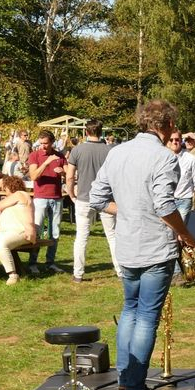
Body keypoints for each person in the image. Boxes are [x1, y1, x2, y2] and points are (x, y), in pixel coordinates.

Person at [88, 99, 195, 390]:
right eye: (172, 124)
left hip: (127, 246)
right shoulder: (164, 156)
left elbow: (97, 198)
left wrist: (129, 211)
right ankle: (135, 389)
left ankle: (126, 382)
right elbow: (164, 205)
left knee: (129, 312)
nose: (174, 130)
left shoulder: (117, 152)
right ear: (163, 125)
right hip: (154, 248)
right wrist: (186, 234)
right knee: (147, 316)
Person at [66, 119, 118, 282]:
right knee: (113, 236)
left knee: (81, 237)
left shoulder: (77, 150)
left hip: (84, 198)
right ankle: (121, 271)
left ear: (86, 132)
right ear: (101, 131)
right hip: (106, 198)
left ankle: (78, 273)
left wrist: (71, 195)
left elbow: (69, 176)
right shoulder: (110, 150)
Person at [27, 130, 66, 274]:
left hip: (56, 198)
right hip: (40, 198)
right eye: (41, 143)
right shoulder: (34, 155)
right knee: (37, 231)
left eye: (46, 143)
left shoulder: (60, 156)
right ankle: (32, 263)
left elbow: (69, 174)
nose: (43, 146)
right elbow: (33, 176)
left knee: (54, 232)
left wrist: (63, 172)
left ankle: (50, 263)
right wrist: (46, 163)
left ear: (52, 143)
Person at [173, 135, 195, 219]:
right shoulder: (162, 157)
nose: (174, 142)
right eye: (171, 140)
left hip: (184, 199)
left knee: (180, 229)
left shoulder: (192, 157)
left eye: (177, 139)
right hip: (167, 200)